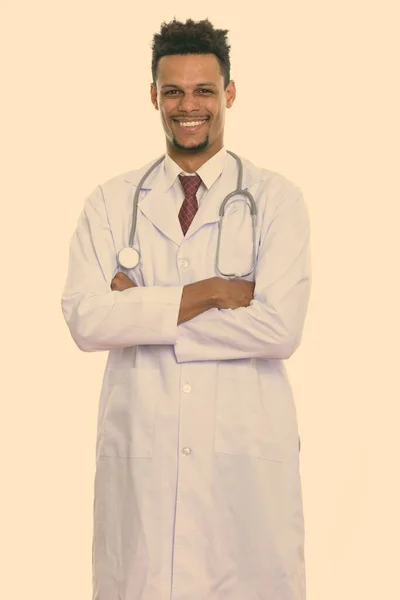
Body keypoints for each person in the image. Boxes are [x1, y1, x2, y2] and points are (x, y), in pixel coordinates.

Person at [61, 17, 311, 600]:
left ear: (228, 93)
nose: (187, 105)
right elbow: (84, 318)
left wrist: (143, 313)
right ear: (153, 96)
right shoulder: (110, 202)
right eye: (172, 91)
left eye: (203, 90)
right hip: (142, 468)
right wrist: (207, 294)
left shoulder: (276, 200)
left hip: (241, 468)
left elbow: (279, 327)